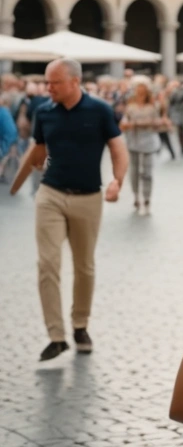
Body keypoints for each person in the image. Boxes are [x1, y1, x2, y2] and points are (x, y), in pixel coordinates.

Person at [10, 58, 128, 361]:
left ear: (74, 82)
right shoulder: (44, 112)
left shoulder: (100, 110)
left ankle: (80, 325)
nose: (48, 88)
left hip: (88, 197)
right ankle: (56, 335)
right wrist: (17, 182)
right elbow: (38, 147)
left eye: (55, 82)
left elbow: (118, 147)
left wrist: (117, 180)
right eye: (47, 82)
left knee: (84, 266)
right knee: (47, 264)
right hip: (50, 193)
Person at [121, 77, 163, 216]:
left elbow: (158, 121)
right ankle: (136, 196)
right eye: (138, 87)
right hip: (133, 140)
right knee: (134, 170)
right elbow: (125, 120)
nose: (140, 90)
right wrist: (127, 123)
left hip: (148, 141)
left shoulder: (153, 104)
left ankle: (147, 197)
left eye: (143, 87)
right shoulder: (130, 104)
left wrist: (138, 124)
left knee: (147, 171)